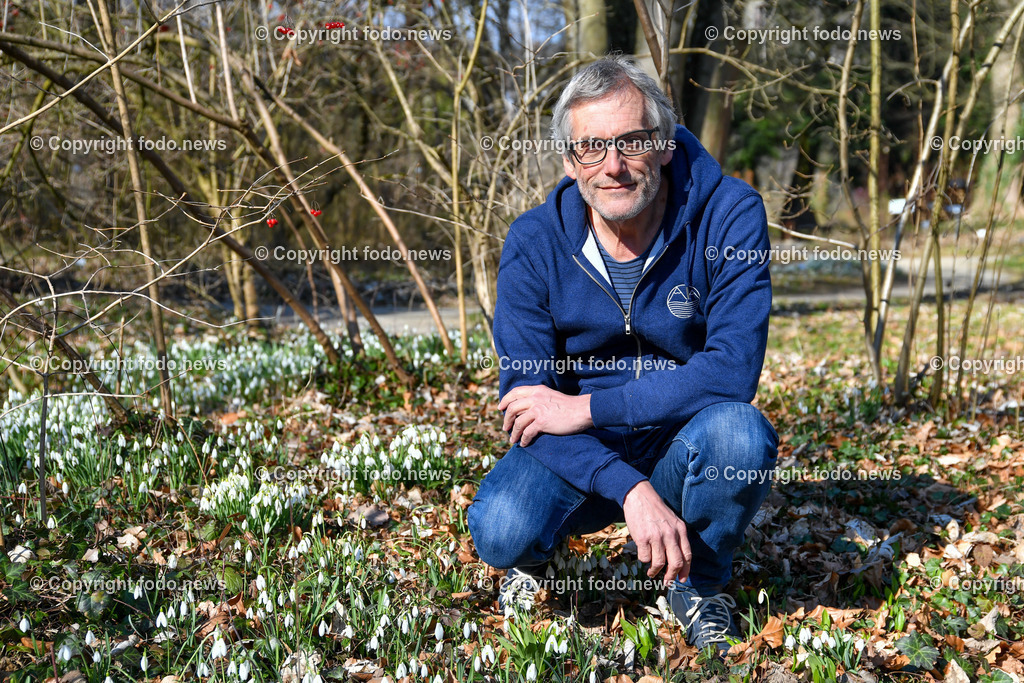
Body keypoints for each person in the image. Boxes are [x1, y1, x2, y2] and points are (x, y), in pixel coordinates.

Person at [467, 55, 779, 653]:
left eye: (632, 142)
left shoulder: (730, 214)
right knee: (500, 529)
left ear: (663, 144)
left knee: (742, 437)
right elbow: (530, 407)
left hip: (681, 434)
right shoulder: (534, 243)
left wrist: (587, 408)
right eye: (590, 148)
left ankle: (701, 584)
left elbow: (733, 370)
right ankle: (542, 559)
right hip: (581, 455)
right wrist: (630, 489)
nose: (612, 167)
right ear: (567, 159)